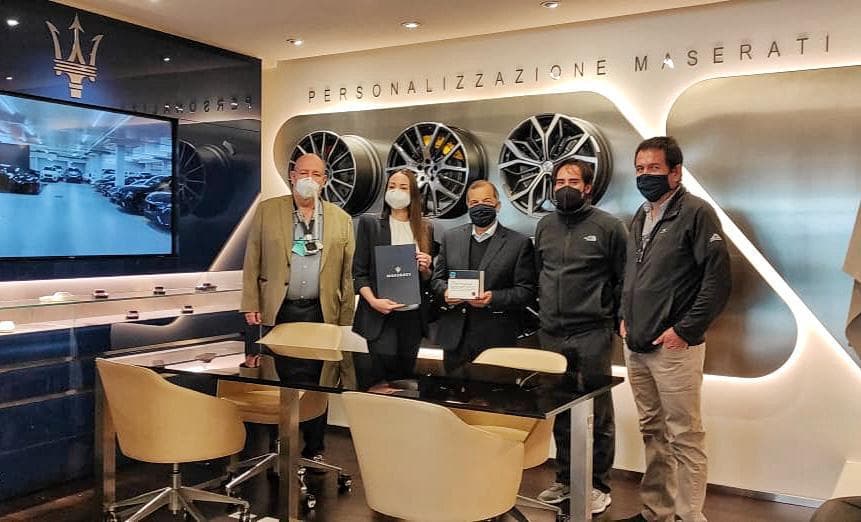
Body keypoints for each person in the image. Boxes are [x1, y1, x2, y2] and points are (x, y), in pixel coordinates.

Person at [618, 137, 731, 522]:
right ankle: (656, 511)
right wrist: (624, 315)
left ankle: (687, 516)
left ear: (675, 172)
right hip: (636, 345)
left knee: (684, 435)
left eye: (654, 168)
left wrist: (684, 330)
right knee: (652, 431)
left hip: (673, 348)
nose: (645, 175)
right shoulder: (641, 215)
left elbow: (717, 280)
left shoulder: (696, 213)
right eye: (640, 169)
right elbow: (631, 276)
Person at [240, 152, 355, 465]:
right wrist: (250, 301)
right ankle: (279, 446)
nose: (308, 179)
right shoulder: (268, 210)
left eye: (316, 174)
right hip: (278, 309)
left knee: (319, 383)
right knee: (276, 381)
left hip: (321, 312)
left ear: (324, 181)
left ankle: (314, 448)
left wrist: (345, 320)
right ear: (292, 176)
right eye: (303, 172)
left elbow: (346, 275)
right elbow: (252, 258)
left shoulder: (341, 219)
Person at [534, 159, 627, 515]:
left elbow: (623, 279)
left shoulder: (609, 227)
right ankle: (565, 478)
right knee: (560, 408)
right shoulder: (545, 225)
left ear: (588, 187)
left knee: (597, 413)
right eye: (559, 181)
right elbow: (540, 272)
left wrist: (617, 319)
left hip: (592, 332)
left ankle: (597, 485)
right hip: (551, 333)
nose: (565, 187)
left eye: (573, 181)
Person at [430, 180, 536, 373]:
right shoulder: (451, 238)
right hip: (455, 337)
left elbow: (526, 291)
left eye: (487, 201)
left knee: (494, 389)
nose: (480, 206)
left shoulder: (518, 243)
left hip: (496, 337)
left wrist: (493, 298)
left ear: (498, 205)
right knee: (453, 390)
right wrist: (445, 292)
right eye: (474, 202)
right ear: (468, 206)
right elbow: (437, 280)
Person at [352, 169, 434, 387]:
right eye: (392, 186)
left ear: (413, 193)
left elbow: (427, 279)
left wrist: (426, 267)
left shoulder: (425, 228)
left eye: (403, 187)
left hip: (412, 318)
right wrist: (373, 301)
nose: (396, 191)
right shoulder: (370, 225)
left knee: (405, 379)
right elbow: (359, 273)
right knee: (381, 380)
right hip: (380, 315)